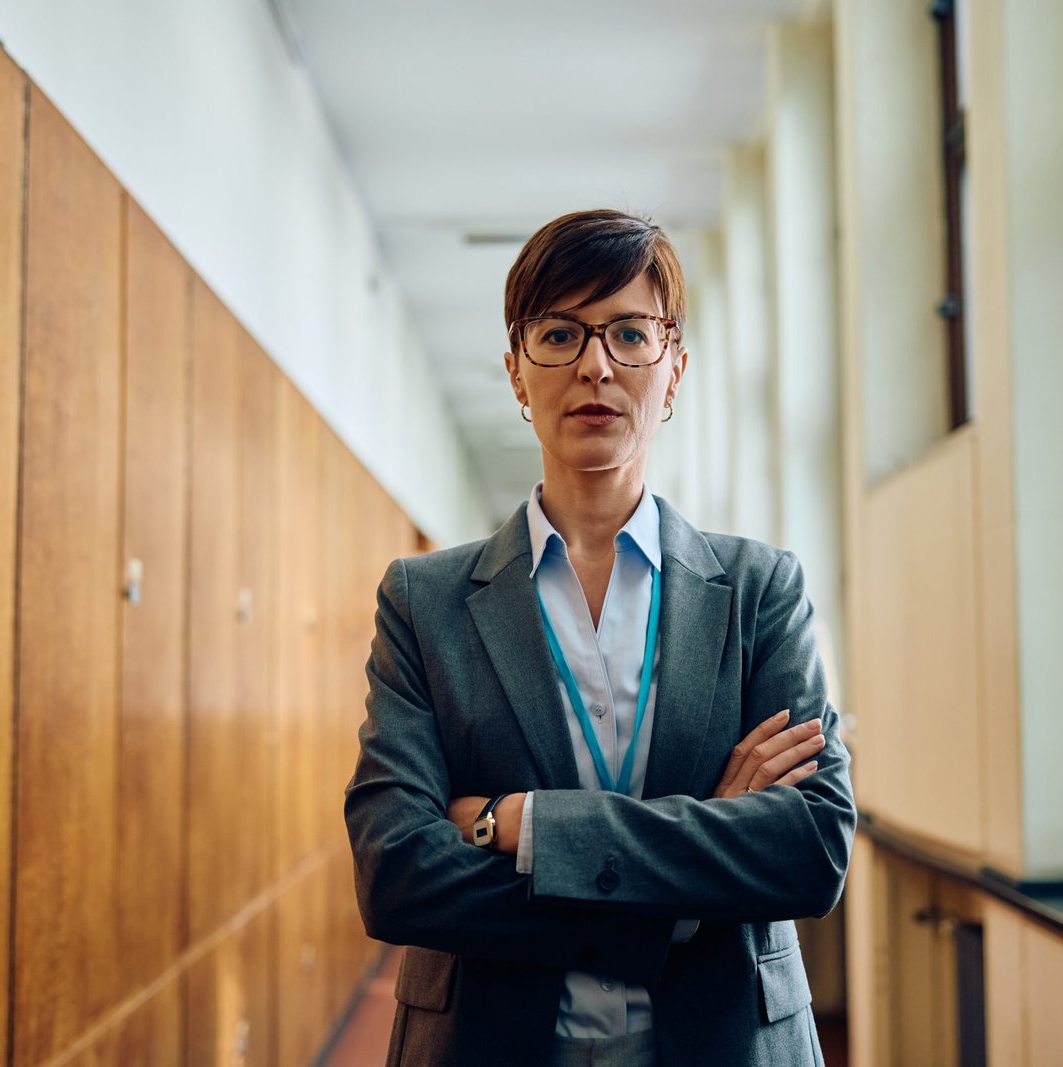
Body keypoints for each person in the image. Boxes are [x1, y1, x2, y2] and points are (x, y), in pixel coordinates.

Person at [345, 208, 855, 1067]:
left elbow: (810, 849)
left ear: (675, 367)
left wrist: (520, 824)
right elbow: (394, 872)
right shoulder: (424, 600)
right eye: (560, 333)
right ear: (515, 373)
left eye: (629, 333)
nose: (595, 364)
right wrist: (693, 870)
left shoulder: (760, 592)